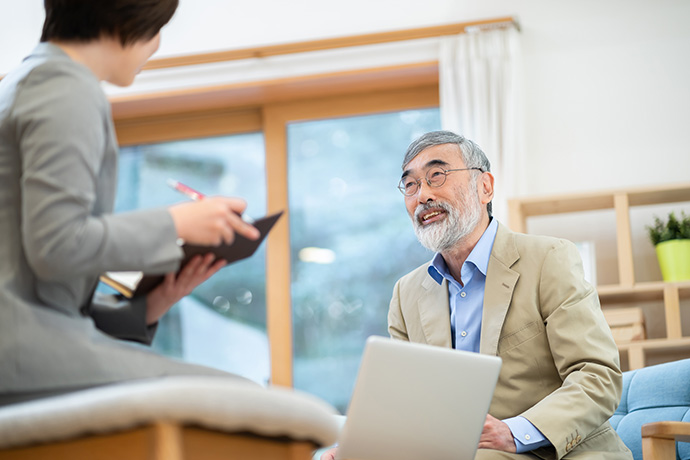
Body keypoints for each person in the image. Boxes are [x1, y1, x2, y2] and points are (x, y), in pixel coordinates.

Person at [0, 0, 261, 406]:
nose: (156, 44)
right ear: (125, 19)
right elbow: (56, 244)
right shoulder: (64, 88)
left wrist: (146, 308)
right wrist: (177, 224)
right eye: (157, 28)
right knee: (248, 401)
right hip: (22, 355)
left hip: (25, 343)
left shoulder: (26, 82)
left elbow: (35, 276)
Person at [322, 131, 632, 459]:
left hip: (557, 451)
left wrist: (512, 432)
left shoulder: (549, 259)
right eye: (411, 185)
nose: (422, 195)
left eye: (436, 176)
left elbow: (597, 376)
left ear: (485, 187)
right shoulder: (406, 294)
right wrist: (358, 448)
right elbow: (408, 410)